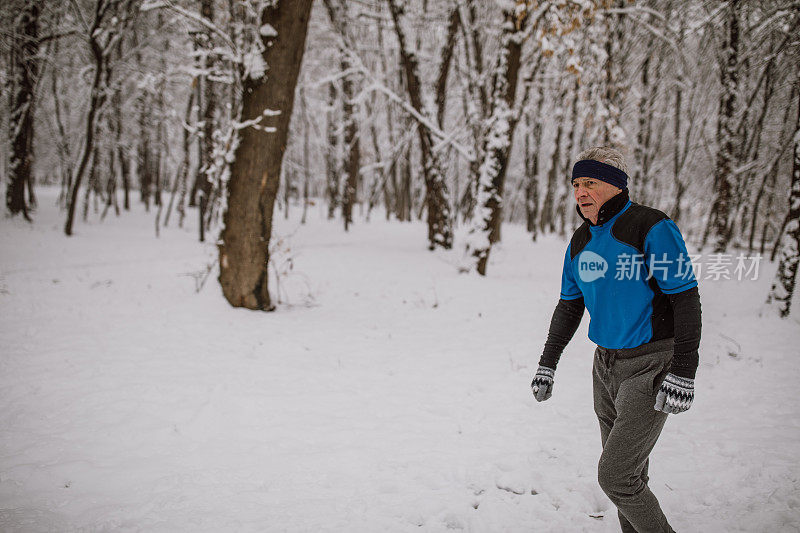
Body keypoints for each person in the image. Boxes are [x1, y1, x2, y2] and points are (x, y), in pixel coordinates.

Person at [530, 146, 701, 533]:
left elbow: (686, 297)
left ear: (616, 185)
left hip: (651, 363)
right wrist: (547, 363)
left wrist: (684, 372)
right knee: (631, 478)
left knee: (616, 477)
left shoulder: (651, 227)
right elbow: (569, 306)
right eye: (576, 184)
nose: (580, 192)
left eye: (590, 182)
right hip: (604, 367)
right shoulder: (579, 241)